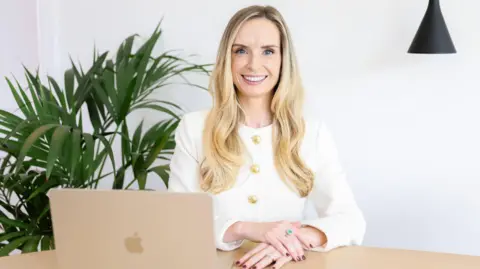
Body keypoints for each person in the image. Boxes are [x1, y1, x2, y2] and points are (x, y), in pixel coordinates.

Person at [167, 5, 366, 269]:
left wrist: (293, 238)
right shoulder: (193, 128)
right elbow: (177, 222)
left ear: (284, 60)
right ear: (227, 58)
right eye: (240, 51)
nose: (253, 64)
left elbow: (351, 220)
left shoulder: (312, 133)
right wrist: (245, 229)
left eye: (268, 51)